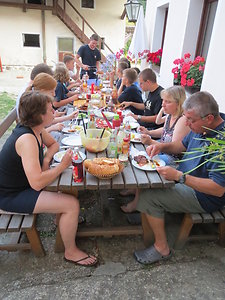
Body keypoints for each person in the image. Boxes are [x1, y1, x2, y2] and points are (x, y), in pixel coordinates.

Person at [0, 91, 97, 266]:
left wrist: (46, 160)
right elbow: (37, 183)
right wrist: (62, 165)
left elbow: (54, 144)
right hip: (10, 196)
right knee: (71, 204)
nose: (54, 111)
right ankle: (70, 251)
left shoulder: (36, 129)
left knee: (67, 194)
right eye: (50, 109)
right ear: (39, 116)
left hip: (24, 185)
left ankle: (64, 222)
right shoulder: (27, 139)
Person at [133, 91, 225, 265]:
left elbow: (218, 189)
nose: (187, 124)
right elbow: (181, 146)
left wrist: (180, 177)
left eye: (191, 120)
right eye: (186, 118)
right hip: (185, 179)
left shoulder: (221, 144)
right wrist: (160, 146)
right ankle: (146, 213)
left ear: (210, 118)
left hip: (205, 196)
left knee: (149, 196)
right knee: (147, 177)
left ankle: (162, 248)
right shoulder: (202, 126)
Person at [121, 85, 190, 213]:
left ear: (179, 103)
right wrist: (149, 132)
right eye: (163, 100)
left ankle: (137, 202)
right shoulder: (171, 115)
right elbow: (163, 130)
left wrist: (151, 141)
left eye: (167, 101)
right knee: (136, 155)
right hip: (163, 152)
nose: (163, 104)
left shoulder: (182, 120)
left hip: (174, 161)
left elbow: (175, 148)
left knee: (143, 163)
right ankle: (136, 188)